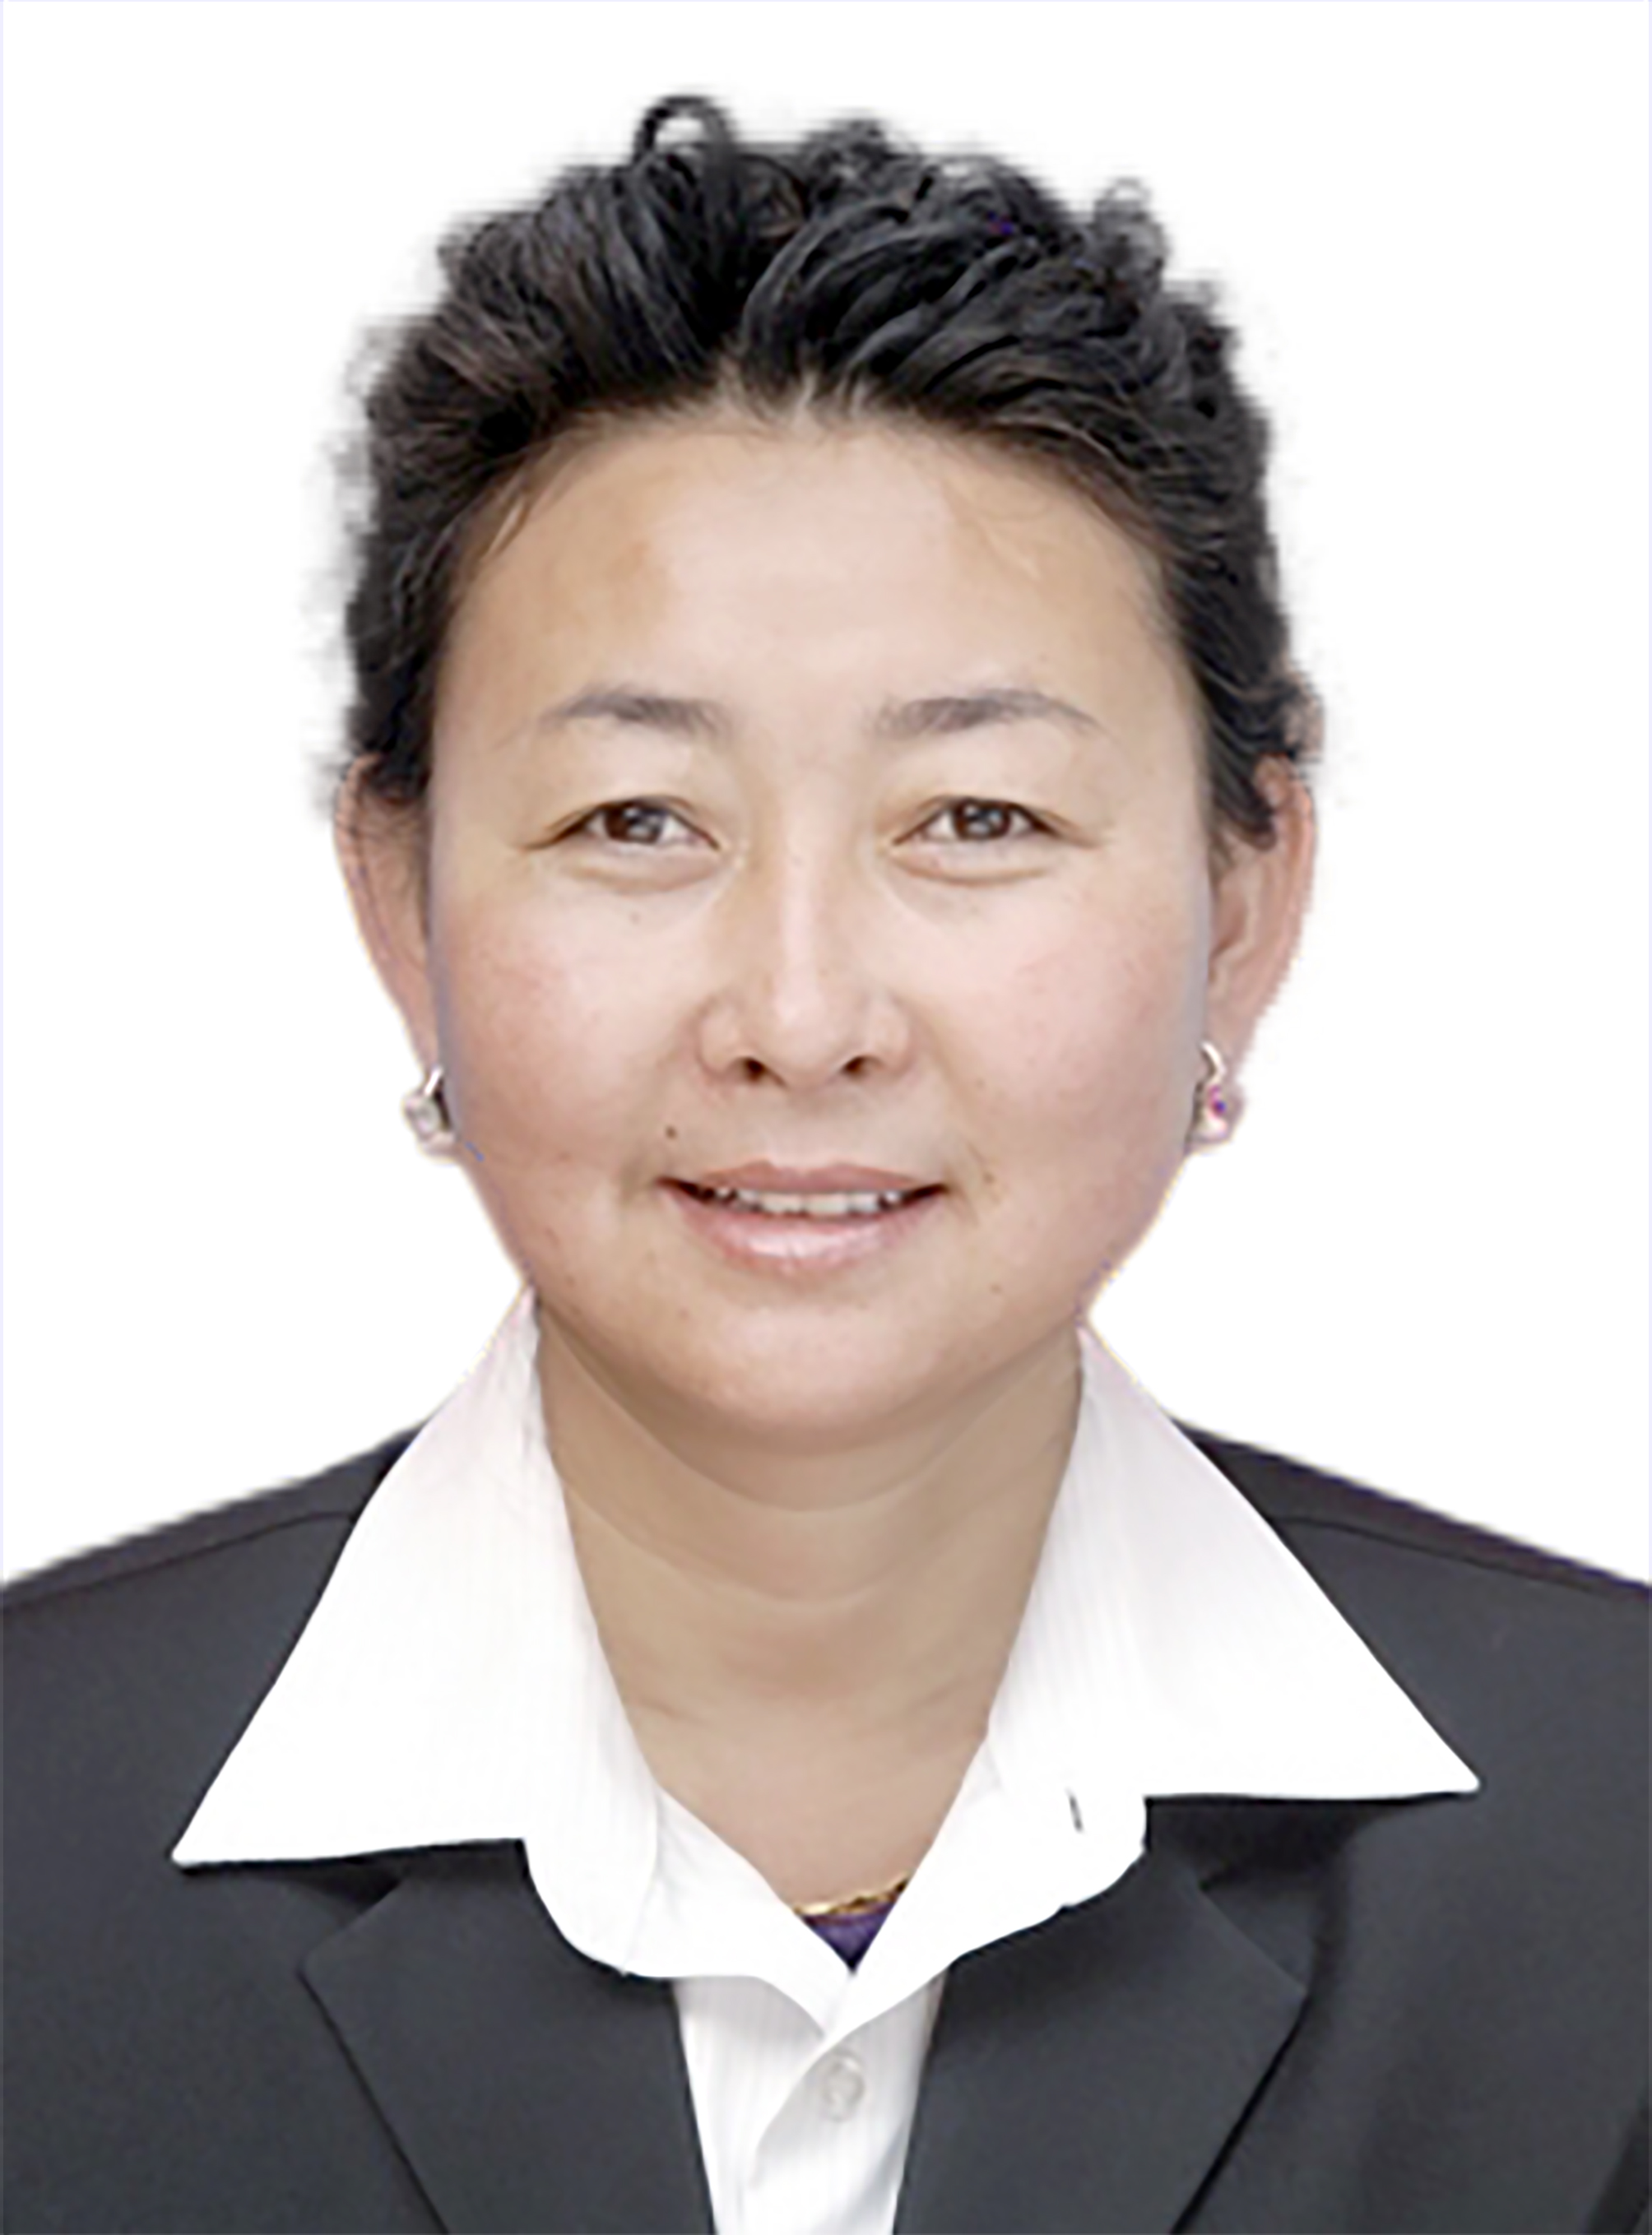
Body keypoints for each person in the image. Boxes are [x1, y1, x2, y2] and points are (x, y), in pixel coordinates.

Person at [3, 91, 1645, 2235]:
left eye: (975, 819)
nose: (798, 1011)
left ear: (1246, 901)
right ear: (401, 903)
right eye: (635, 822)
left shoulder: (1618, 1840)